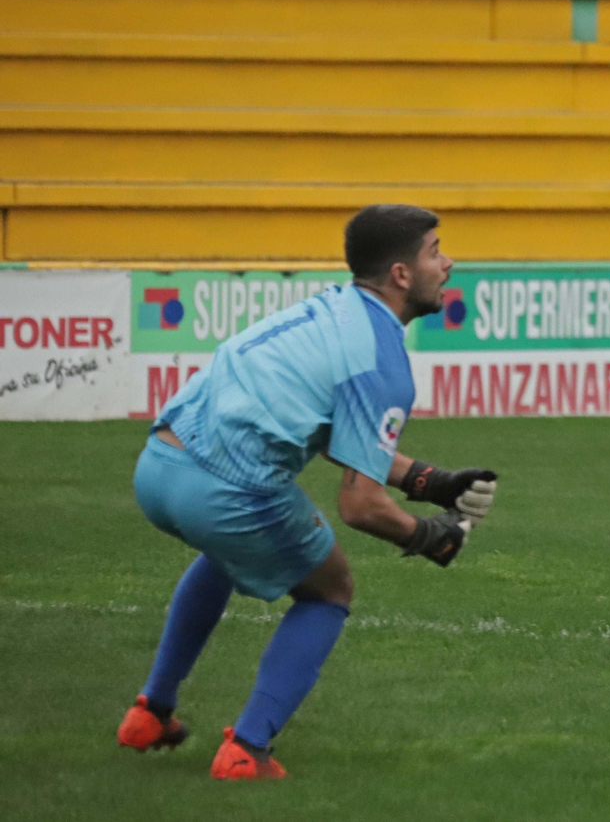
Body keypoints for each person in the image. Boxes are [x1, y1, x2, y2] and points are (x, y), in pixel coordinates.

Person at [115, 205, 500, 777]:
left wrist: (431, 481)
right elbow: (360, 506)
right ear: (401, 274)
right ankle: (247, 750)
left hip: (159, 466)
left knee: (225, 555)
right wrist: (428, 536)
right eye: (435, 251)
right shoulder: (380, 357)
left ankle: (150, 712)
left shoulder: (329, 309)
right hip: (225, 490)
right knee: (330, 589)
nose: (448, 264)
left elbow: (327, 431)